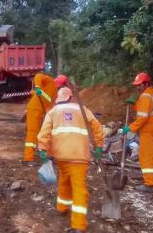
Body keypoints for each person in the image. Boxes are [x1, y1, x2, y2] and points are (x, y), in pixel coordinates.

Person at [37, 87, 104, 233]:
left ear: (60, 99)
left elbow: (44, 132)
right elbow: (97, 128)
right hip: (79, 156)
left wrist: (42, 150)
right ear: (71, 97)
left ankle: (62, 208)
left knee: (64, 181)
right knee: (79, 189)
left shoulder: (53, 111)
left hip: (61, 155)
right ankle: (79, 225)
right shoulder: (83, 109)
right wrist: (99, 147)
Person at [123, 72, 153, 193]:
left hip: (148, 131)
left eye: (140, 85)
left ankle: (150, 184)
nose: (137, 87)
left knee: (146, 157)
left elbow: (142, 118)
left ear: (146, 83)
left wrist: (130, 128)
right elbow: (149, 109)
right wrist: (135, 105)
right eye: (136, 85)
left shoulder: (145, 96)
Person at [24, 74, 69, 162]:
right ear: (62, 84)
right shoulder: (49, 81)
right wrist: (38, 87)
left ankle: (47, 153)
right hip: (34, 110)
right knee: (32, 132)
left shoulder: (55, 93)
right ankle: (28, 158)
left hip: (41, 112)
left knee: (44, 133)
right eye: (64, 86)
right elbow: (38, 76)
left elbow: (50, 104)